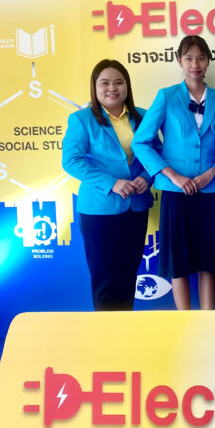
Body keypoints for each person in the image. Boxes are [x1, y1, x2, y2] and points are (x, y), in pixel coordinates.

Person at [132, 35, 215, 310]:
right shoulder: (166, 96)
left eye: (200, 58)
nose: (195, 64)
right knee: (179, 261)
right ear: (179, 61)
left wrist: (212, 173)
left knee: (209, 260)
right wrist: (173, 176)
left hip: (211, 190)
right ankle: (184, 319)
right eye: (188, 58)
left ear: (208, 61)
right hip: (175, 191)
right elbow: (141, 142)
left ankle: (207, 317)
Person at [62, 59, 153, 311]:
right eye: (104, 83)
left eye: (118, 82)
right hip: (99, 210)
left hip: (136, 207)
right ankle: (106, 332)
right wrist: (112, 183)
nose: (112, 88)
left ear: (127, 86)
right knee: (105, 278)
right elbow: (71, 161)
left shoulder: (143, 116)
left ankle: (124, 329)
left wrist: (146, 177)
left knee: (128, 275)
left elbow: (156, 153)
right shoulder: (81, 120)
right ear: (95, 87)